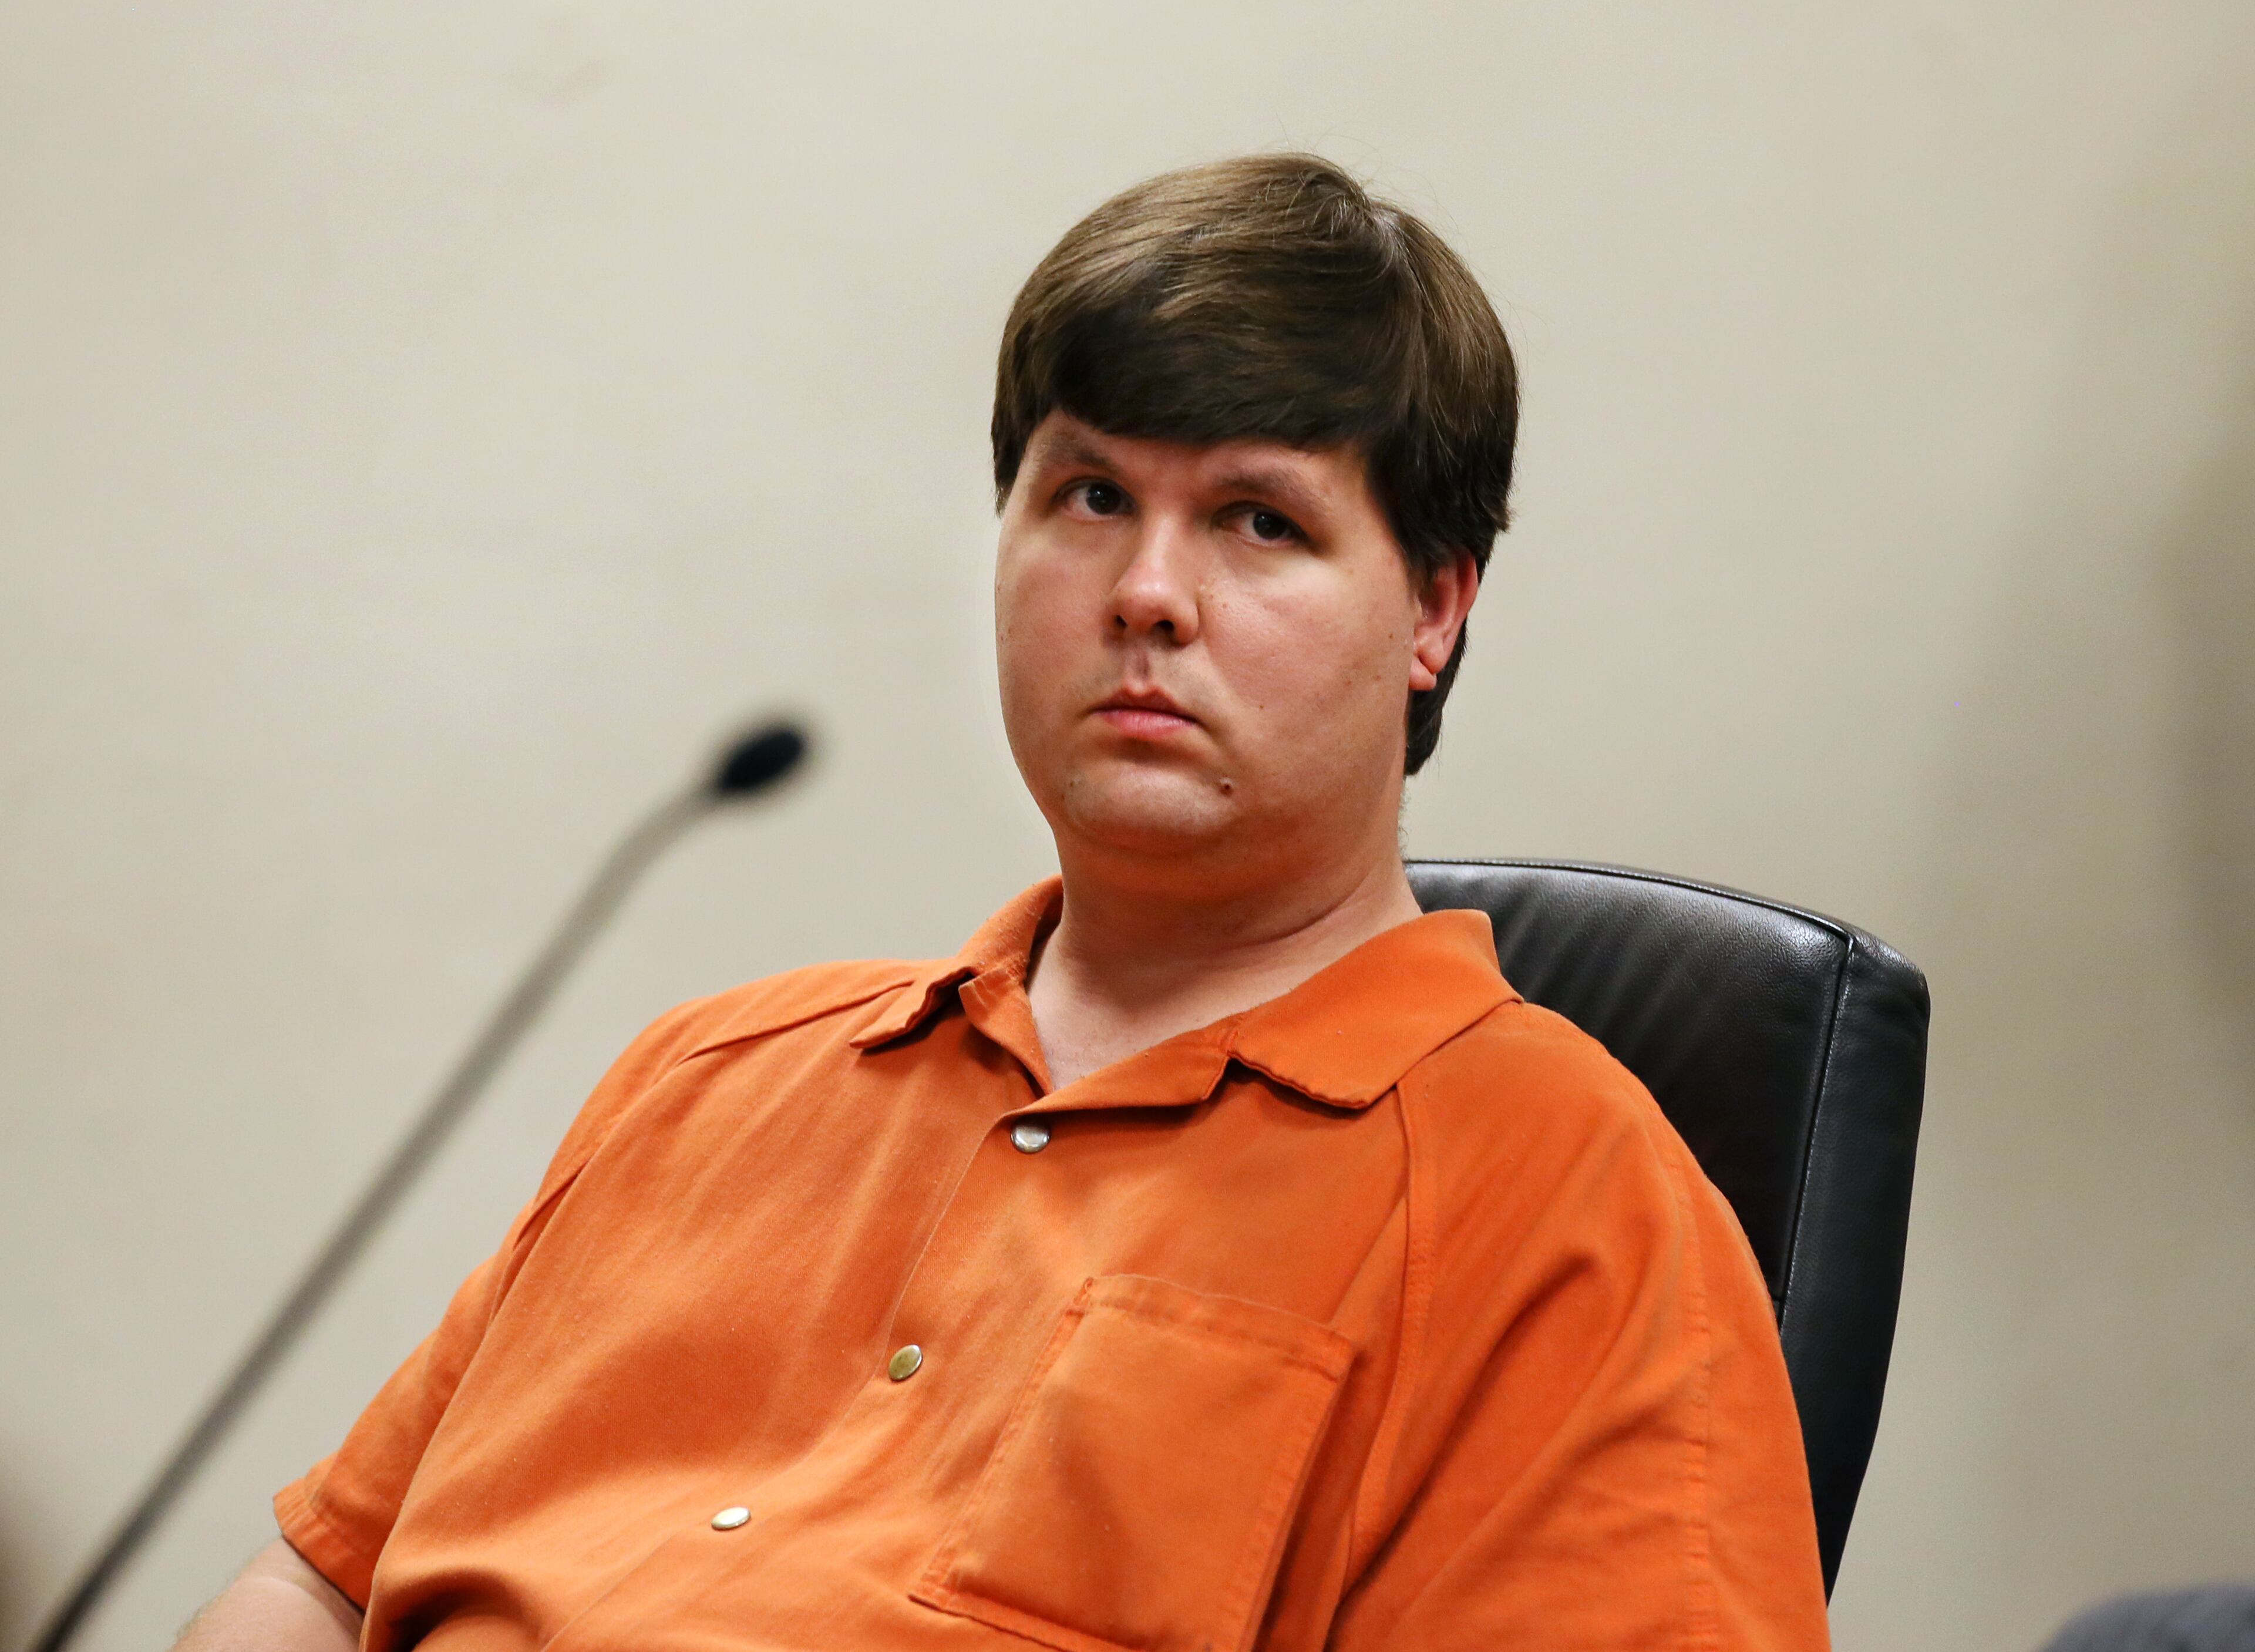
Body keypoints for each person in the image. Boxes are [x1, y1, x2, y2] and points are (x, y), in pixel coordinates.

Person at [178, 153, 1830, 1652]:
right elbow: (317, 1583)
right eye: (1090, 497)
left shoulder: (1571, 1210)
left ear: (1434, 614)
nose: (1148, 596)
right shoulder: (712, 1079)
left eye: (1261, 522)